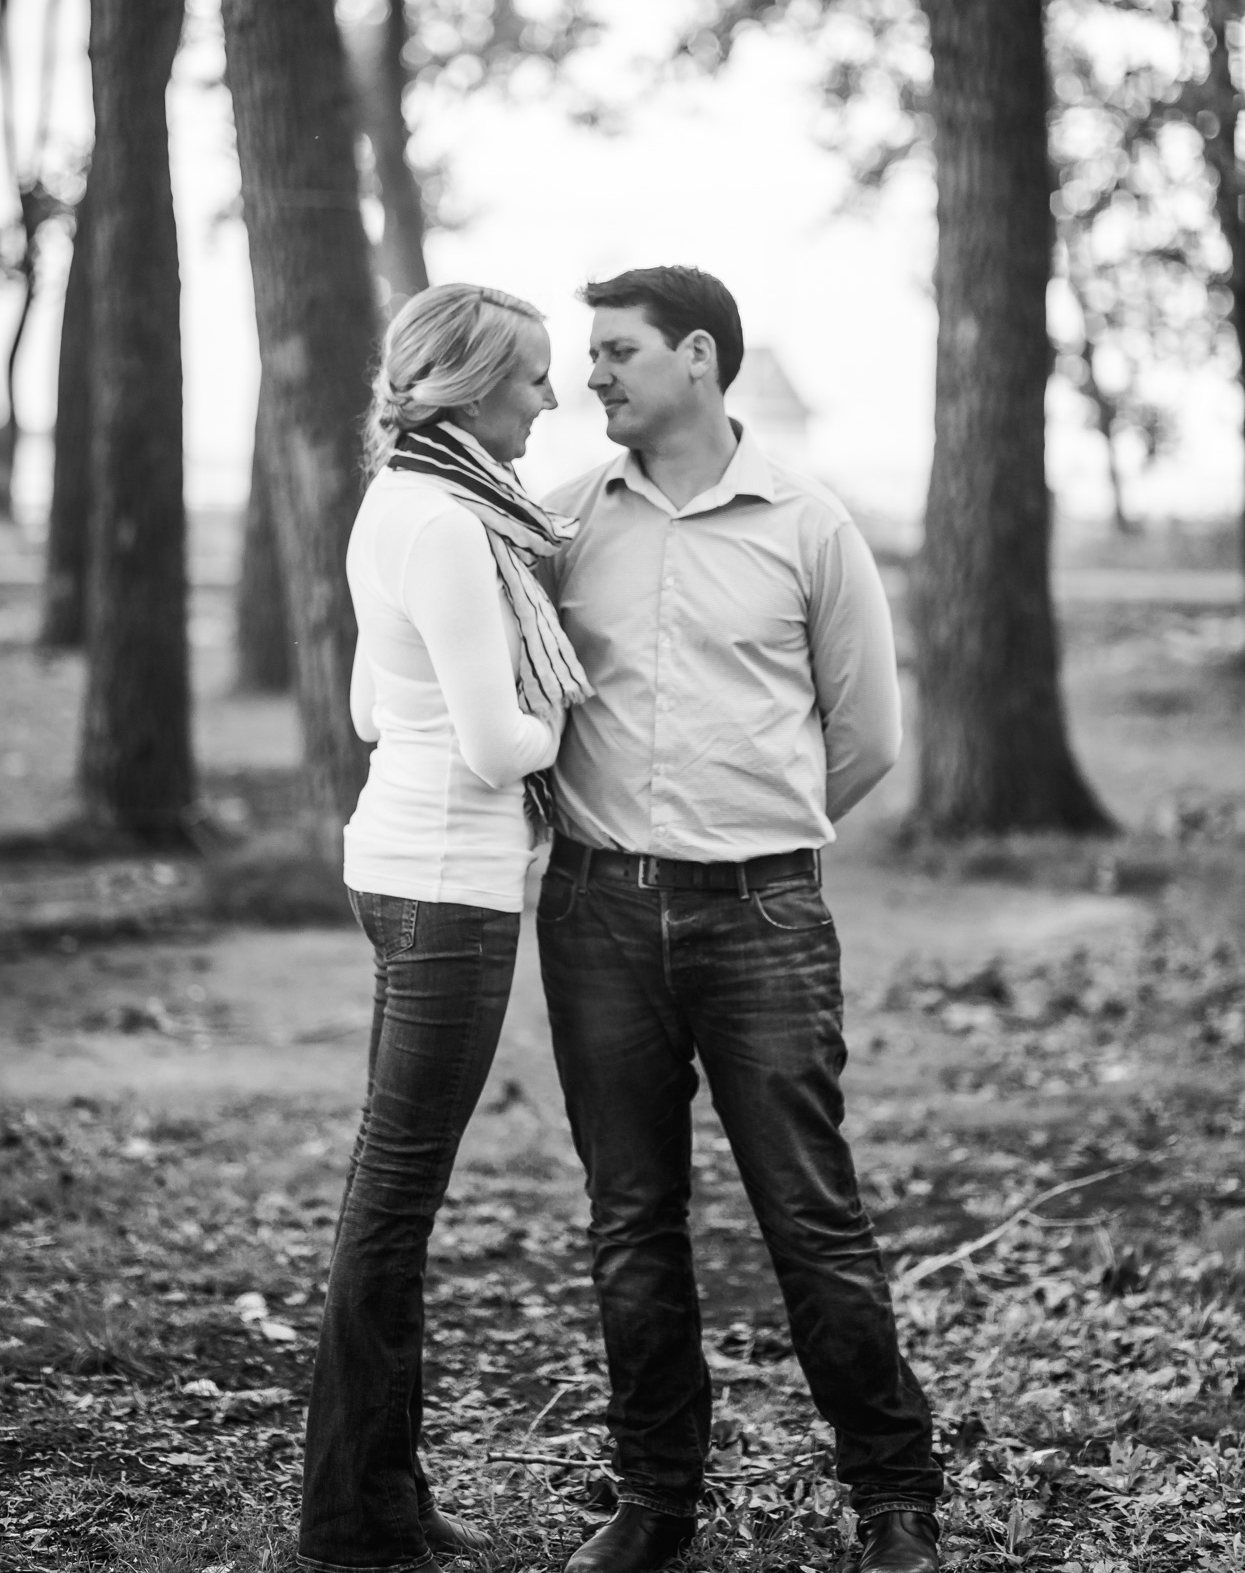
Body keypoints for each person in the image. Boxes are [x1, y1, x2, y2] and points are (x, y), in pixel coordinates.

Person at [537, 266, 943, 1573]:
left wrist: (747, 837)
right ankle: (654, 1502)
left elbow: (868, 739)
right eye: (588, 353)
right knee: (628, 1221)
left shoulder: (807, 524)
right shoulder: (560, 522)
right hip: (595, 916)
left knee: (809, 1216)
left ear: (696, 358)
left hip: (761, 914)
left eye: (615, 352)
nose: (588, 374)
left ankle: (893, 1499)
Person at [299, 283, 591, 1573]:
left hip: (397, 861)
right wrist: (566, 713)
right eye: (530, 377)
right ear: (471, 386)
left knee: (394, 1189)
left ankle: (383, 1496)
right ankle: (357, 1516)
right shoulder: (459, 531)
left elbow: (373, 709)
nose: (550, 398)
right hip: (448, 883)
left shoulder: (399, 505)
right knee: (397, 1195)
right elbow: (495, 746)